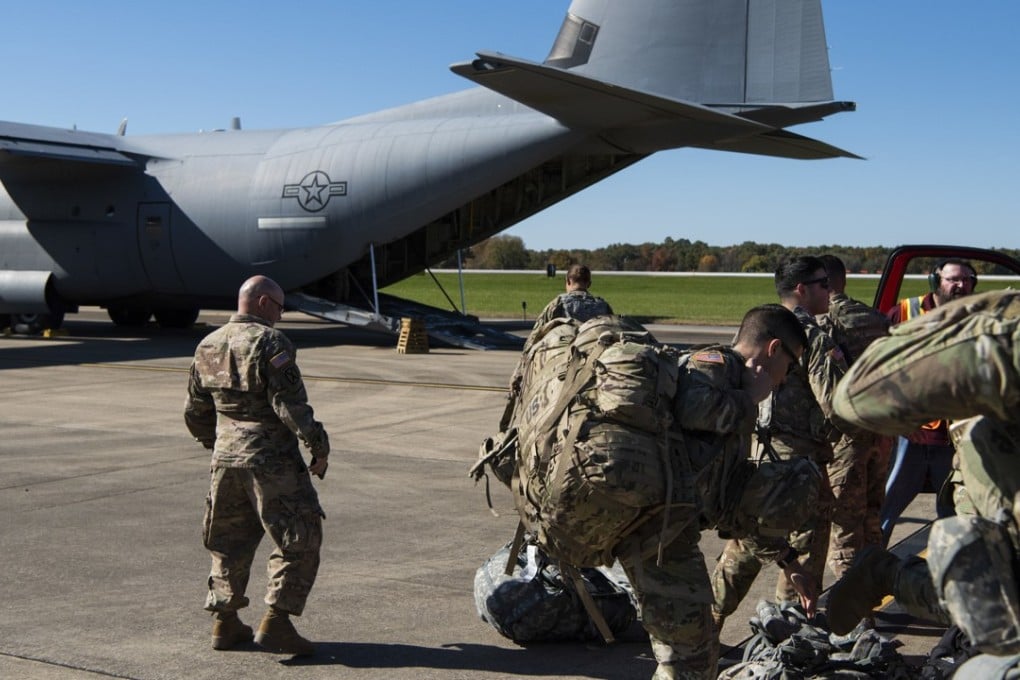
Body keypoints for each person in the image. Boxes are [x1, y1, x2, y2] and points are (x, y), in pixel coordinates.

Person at [615, 303, 816, 679]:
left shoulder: (735, 384)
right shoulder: (716, 365)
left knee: (693, 653)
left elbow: (731, 504)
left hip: (669, 532)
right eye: (790, 365)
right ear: (773, 349)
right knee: (690, 657)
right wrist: (749, 400)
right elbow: (694, 407)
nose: (785, 379)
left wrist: (788, 560)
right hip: (658, 533)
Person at [826, 289, 1020, 676]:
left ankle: (888, 574)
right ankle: (886, 574)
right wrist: (986, 323)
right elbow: (856, 396)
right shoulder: (1007, 343)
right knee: (992, 615)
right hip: (993, 494)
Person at [184, 275, 331, 656]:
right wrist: (318, 445)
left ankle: (225, 623)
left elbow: (195, 411)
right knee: (300, 535)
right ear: (264, 303)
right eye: (280, 308)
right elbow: (290, 404)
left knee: (228, 542)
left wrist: (218, 445)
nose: (281, 316)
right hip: (271, 462)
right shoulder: (271, 342)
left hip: (225, 459)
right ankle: (278, 623)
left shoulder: (207, 344)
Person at [711, 256, 848, 627]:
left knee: (745, 545)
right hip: (798, 468)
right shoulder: (813, 339)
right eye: (823, 283)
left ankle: (710, 620)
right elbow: (836, 405)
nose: (830, 290)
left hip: (755, 455)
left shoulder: (755, 328)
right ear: (801, 290)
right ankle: (788, 634)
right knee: (800, 557)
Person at [880, 258, 979, 544]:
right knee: (883, 510)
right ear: (936, 282)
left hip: (952, 439)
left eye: (965, 279)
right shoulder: (905, 311)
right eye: (953, 279)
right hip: (908, 436)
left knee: (953, 513)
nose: (960, 285)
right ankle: (865, 571)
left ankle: (949, 575)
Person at [816, 255, 893, 580]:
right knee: (871, 519)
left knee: (845, 526)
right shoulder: (875, 319)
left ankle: (855, 617)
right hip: (880, 433)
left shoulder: (823, 324)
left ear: (824, 283)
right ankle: (869, 593)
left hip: (845, 440)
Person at [523, 263, 612, 351]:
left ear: (568, 281)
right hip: (596, 356)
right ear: (589, 284)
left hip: (563, 357)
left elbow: (535, 337)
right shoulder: (604, 306)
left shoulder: (558, 304)